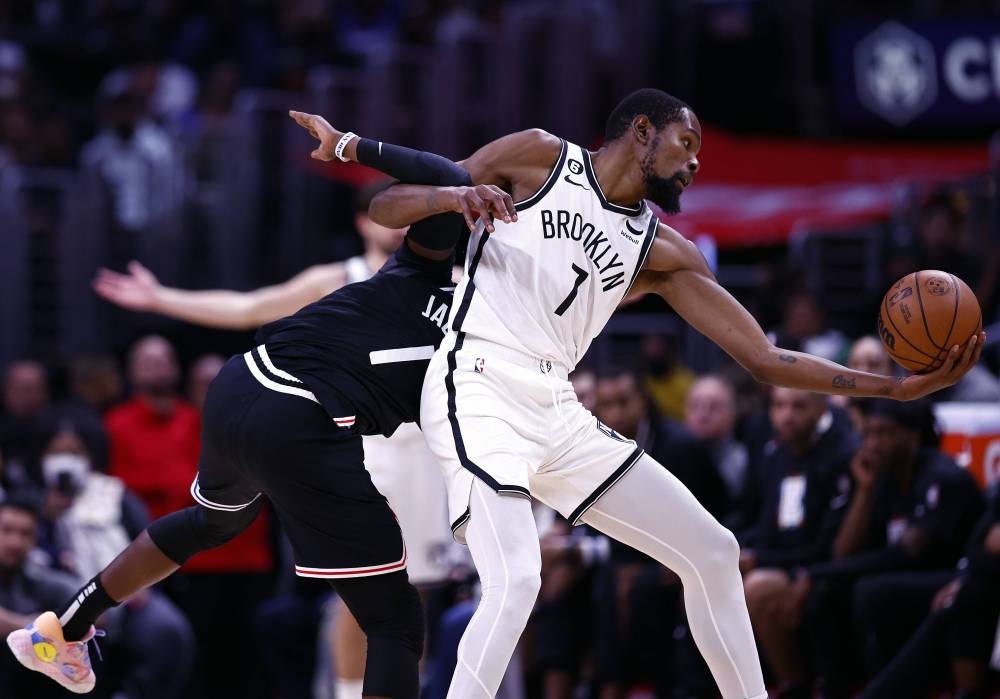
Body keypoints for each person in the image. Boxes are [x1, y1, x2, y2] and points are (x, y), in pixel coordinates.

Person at [352, 88, 985, 699]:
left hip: (558, 408)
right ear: (642, 132)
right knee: (516, 580)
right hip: (477, 384)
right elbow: (388, 207)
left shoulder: (659, 253)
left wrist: (896, 389)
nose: (695, 161)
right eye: (687, 143)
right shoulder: (542, 157)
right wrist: (453, 195)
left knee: (713, 551)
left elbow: (764, 358)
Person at [7, 114, 516, 698]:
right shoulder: (415, 268)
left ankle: (62, 629)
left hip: (248, 383)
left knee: (215, 520)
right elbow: (254, 303)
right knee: (395, 619)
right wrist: (364, 152)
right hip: (313, 423)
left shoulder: (449, 292)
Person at [93, 172, 456, 699]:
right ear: (364, 221)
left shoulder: (445, 279)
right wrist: (160, 299)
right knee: (356, 597)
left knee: (413, 594)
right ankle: (345, 693)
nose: (401, 228)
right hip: (349, 446)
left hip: (421, 450)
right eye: (390, 217)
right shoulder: (339, 276)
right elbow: (248, 308)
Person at [0, 498, 82, 699]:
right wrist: (38, 627)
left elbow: (87, 605)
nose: (15, 542)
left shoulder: (36, 577)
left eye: (25, 533)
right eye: (7, 530)